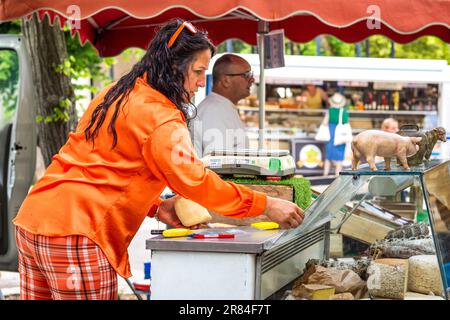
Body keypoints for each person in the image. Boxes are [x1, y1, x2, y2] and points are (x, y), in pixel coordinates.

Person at [12, 19, 304, 300]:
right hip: (76, 231)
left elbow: (100, 162)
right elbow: (197, 183)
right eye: (199, 72)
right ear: (174, 67)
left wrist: (156, 206)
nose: (202, 83)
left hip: (34, 219)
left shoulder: (114, 93)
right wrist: (266, 204)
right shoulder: (162, 118)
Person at [189, 54, 253, 157]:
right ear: (225, 81)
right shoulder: (214, 111)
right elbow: (217, 165)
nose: (252, 80)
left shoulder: (221, 107)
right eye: (247, 75)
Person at [323, 93, 349, 176]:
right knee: (339, 158)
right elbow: (346, 123)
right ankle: (337, 175)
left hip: (331, 136)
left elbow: (324, 123)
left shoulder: (329, 111)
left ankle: (325, 174)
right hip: (340, 138)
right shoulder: (344, 112)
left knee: (328, 157)